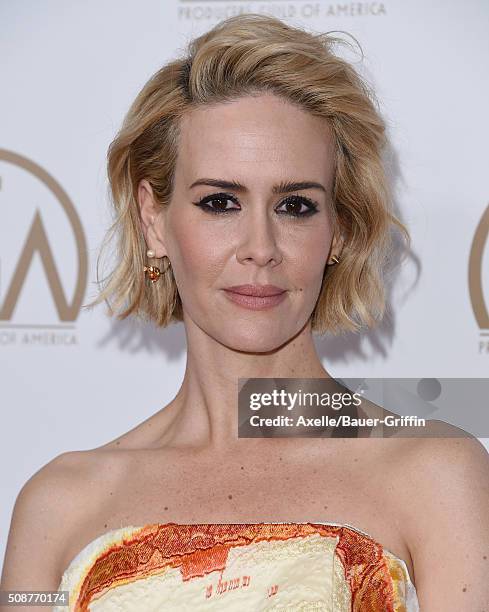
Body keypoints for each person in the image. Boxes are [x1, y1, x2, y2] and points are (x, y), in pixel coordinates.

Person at [1, 12, 488, 611]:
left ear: (339, 229)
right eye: (220, 201)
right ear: (153, 219)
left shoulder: (436, 470)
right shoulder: (60, 504)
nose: (260, 246)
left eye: (296, 206)